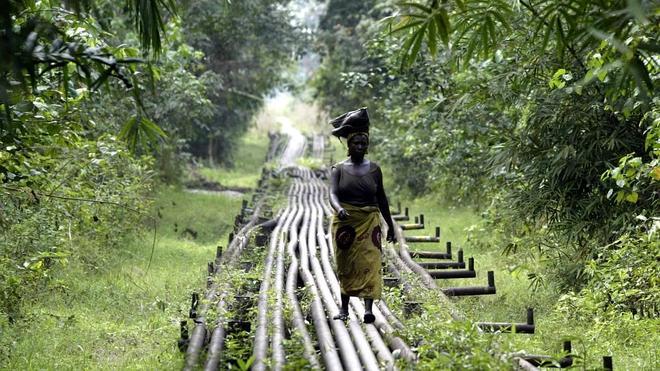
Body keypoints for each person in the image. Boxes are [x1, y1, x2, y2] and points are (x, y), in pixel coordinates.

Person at [328, 107, 396, 324]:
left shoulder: (375, 170)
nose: (359, 147)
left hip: (370, 221)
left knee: (370, 261)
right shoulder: (338, 169)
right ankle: (345, 308)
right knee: (346, 263)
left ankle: (368, 309)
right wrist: (339, 209)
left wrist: (391, 225)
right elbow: (332, 194)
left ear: (367, 146)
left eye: (363, 144)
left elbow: (382, 198)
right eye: (355, 143)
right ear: (348, 145)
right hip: (345, 222)